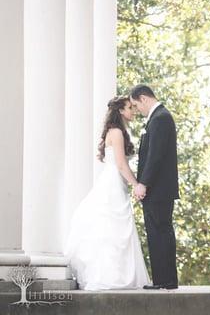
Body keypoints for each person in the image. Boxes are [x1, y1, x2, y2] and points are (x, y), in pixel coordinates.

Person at [63, 96, 150, 290]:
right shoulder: (117, 132)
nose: (133, 111)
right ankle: (110, 276)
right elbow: (120, 164)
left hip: (115, 182)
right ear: (120, 110)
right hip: (113, 183)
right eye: (130, 107)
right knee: (112, 228)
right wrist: (136, 184)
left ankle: (115, 274)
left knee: (115, 228)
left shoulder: (117, 131)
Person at [130, 84, 179, 290]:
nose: (136, 110)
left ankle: (165, 280)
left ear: (143, 98)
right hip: (158, 189)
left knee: (160, 232)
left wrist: (143, 183)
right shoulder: (159, 117)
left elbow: (155, 156)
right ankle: (163, 280)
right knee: (158, 232)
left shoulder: (160, 118)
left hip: (158, 190)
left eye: (135, 105)